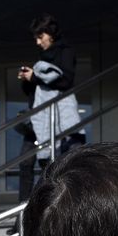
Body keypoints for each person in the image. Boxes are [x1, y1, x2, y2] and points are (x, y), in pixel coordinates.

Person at [17, 13, 85, 199]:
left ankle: (51, 207)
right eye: (36, 39)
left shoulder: (65, 51)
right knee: (25, 164)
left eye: (40, 37)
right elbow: (35, 91)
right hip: (37, 118)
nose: (38, 42)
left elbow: (65, 81)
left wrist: (36, 77)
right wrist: (28, 79)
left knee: (55, 165)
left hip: (57, 117)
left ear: (50, 33)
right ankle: (21, 215)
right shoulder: (42, 58)